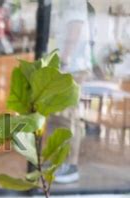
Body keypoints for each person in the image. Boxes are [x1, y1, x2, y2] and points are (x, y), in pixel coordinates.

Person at [47, 0, 93, 183]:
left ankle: (70, 165)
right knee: (59, 117)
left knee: (67, 117)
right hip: (68, 67)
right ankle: (59, 162)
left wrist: (63, 62)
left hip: (72, 68)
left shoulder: (75, 3)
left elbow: (75, 29)